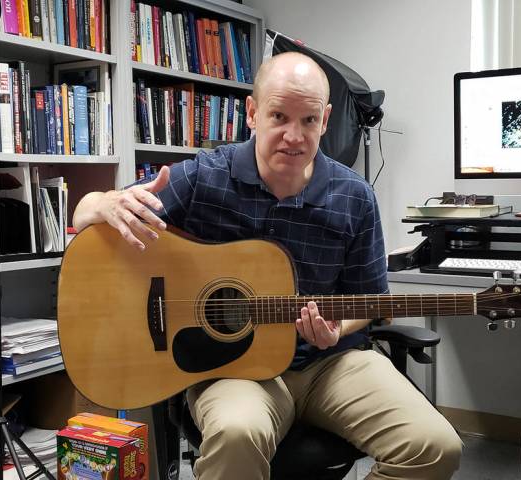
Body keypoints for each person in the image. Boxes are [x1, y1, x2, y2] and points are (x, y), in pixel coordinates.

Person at [73, 51, 462, 480]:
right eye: (279, 116)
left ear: (326, 120)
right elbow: (88, 216)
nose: (293, 137)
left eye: (309, 121)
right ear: (253, 113)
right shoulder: (205, 177)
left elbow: (368, 300)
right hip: (233, 370)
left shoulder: (354, 197)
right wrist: (103, 201)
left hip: (330, 364)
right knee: (238, 433)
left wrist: (338, 326)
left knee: (435, 447)